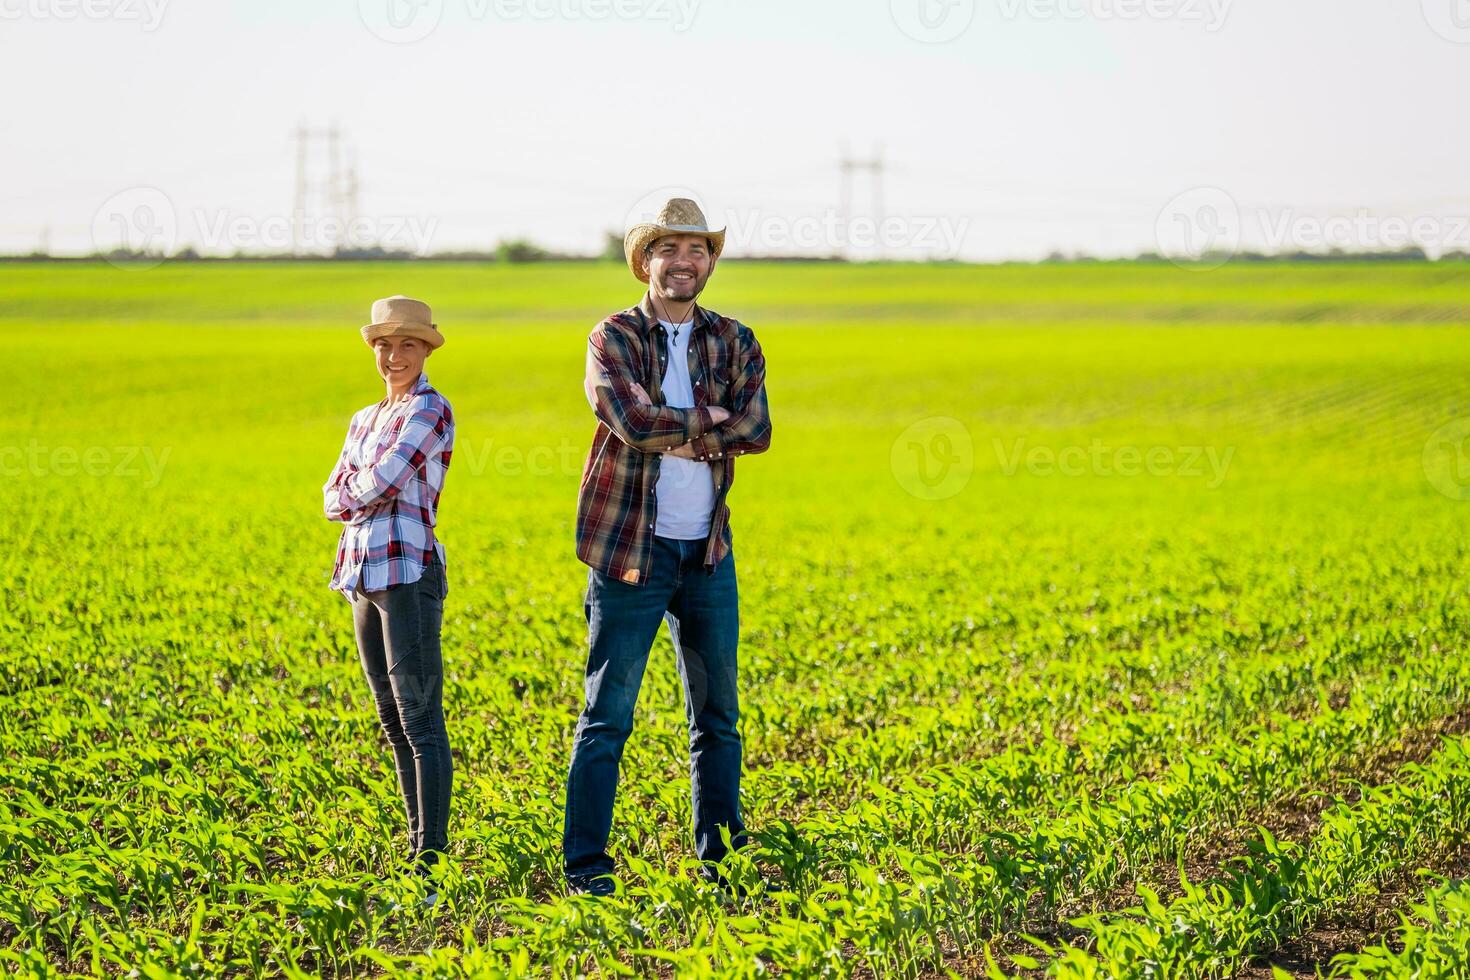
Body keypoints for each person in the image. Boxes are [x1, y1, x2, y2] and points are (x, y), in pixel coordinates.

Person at [564, 197, 773, 896]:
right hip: (631, 550)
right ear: (644, 261)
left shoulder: (735, 338)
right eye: (668, 250)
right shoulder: (613, 336)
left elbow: (757, 426)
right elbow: (627, 418)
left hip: (707, 551)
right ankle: (586, 866)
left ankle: (724, 862)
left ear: (710, 262)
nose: (684, 263)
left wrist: (682, 427)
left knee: (717, 716)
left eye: (697, 251)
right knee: (607, 716)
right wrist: (708, 421)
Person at [322, 295, 456, 898]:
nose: (393, 356)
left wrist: (354, 492)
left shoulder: (432, 410)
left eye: (407, 345)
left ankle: (432, 858)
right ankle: (414, 844)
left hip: (407, 569)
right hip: (362, 573)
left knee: (420, 713)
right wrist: (354, 493)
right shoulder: (364, 417)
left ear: (426, 350)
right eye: (384, 345)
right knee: (389, 715)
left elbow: (377, 481)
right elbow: (331, 495)